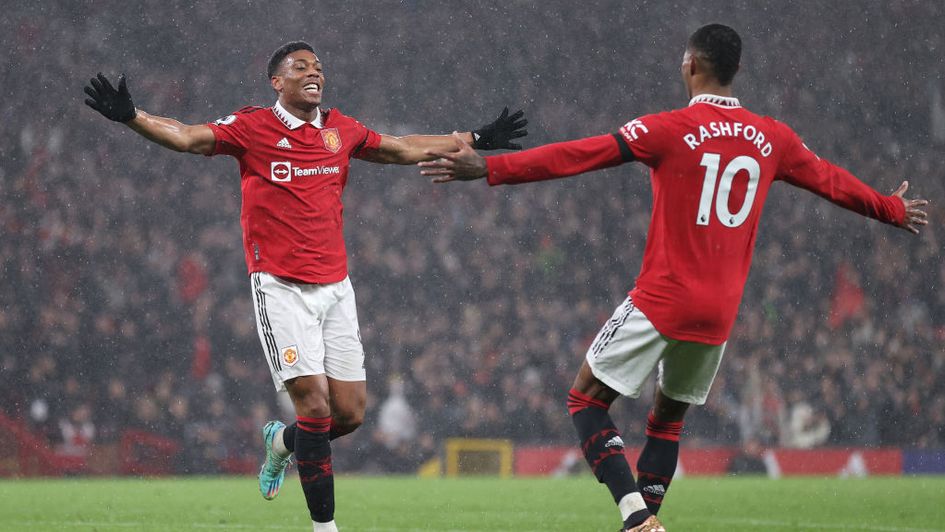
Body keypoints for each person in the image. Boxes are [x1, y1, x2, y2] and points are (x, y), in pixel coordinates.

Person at [419, 24, 928, 532]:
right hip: (720, 311)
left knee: (586, 400)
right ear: (737, 71)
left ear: (690, 65)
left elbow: (579, 155)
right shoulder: (774, 137)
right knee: (667, 419)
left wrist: (491, 169)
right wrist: (891, 208)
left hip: (664, 297)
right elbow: (831, 180)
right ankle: (651, 521)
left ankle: (635, 515)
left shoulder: (668, 128)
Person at [84, 41, 526, 532]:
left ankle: (281, 443)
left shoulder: (342, 130)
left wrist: (476, 136)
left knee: (351, 415)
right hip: (279, 287)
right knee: (314, 406)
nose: (313, 72)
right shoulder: (252, 127)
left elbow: (402, 147)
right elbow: (188, 137)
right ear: (277, 82)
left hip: (336, 288)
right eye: (300, 67)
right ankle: (325, 528)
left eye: (317, 67)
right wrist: (131, 115)